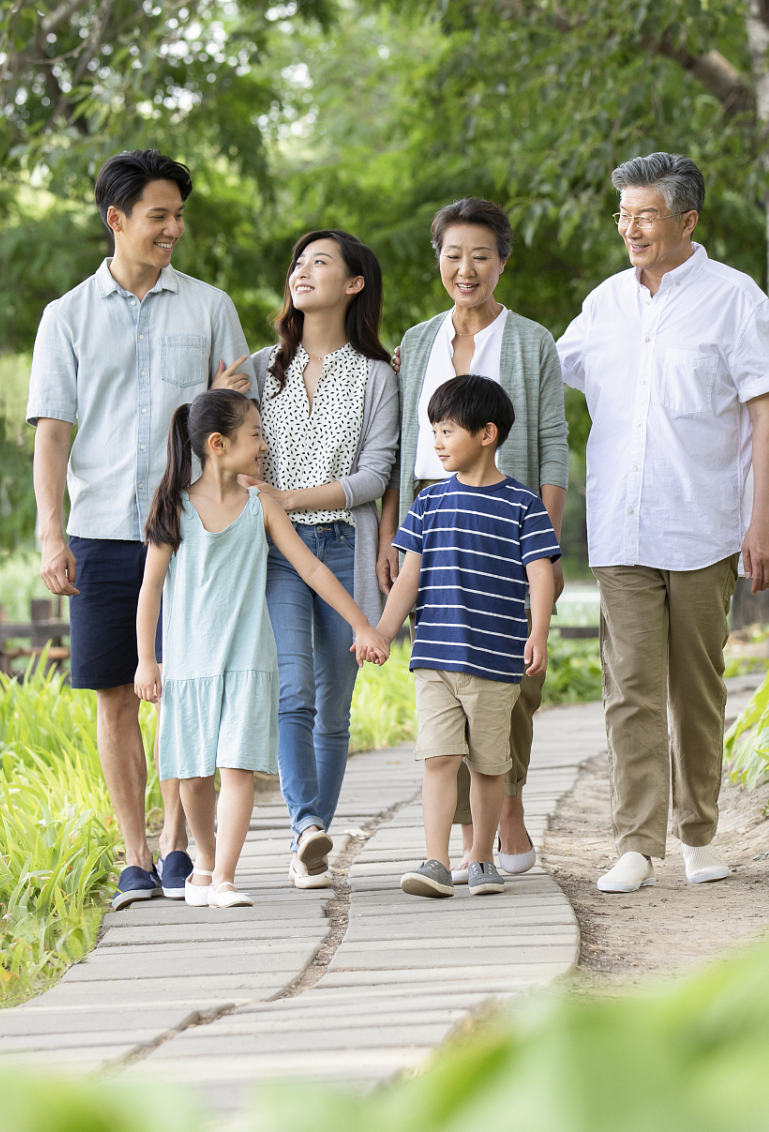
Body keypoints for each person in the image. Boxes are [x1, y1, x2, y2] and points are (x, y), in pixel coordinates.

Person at [556, 151, 769, 895]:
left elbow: (766, 411)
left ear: (687, 220)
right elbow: (535, 370)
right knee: (629, 686)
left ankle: (697, 834)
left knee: (697, 686)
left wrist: (763, 523)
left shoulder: (735, 298)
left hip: (703, 527)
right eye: (623, 215)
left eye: (645, 215)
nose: (630, 228)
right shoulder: (604, 305)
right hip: (622, 529)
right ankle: (634, 842)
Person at [27, 149, 252, 911]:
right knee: (115, 695)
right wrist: (50, 533)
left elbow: (236, 417)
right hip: (100, 530)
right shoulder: (66, 317)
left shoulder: (210, 306)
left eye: (179, 216)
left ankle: (179, 846)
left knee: (188, 690)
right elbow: (53, 434)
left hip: (190, 530)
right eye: (159, 216)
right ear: (116, 220)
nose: (173, 229)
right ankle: (134, 857)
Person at [131, 389, 390, 908]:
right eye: (256, 435)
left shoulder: (261, 506)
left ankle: (225, 876)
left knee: (236, 770)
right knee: (194, 777)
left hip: (248, 662)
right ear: (218, 444)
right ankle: (204, 863)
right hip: (190, 666)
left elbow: (312, 569)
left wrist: (363, 625)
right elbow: (150, 590)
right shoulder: (173, 509)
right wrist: (146, 659)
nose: (265, 444)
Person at [377, 198, 568, 882]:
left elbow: (550, 446)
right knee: (444, 676)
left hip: (505, 515)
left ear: (502, 262)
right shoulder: (418, 338)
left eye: (481, 256)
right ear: (438, 261)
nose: (466, 269)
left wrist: (542, 539)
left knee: (507, 679)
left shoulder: (530, 341)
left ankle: (501, 812)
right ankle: (463, 843)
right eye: (453, 255)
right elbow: (404, 442)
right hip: (432, 515)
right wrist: (390, 533)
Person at [241, 230, 398, 889]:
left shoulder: (378, 375)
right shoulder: (257, 370)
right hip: (277, 552)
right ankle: (307, 825)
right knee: (293, 689)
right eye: (298, 263)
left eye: (320, 262)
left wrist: (290, 495)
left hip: (343, 544)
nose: (302, 272)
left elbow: (376, 474)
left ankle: (315, 845)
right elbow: (229, 453)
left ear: (353, 283)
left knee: (336, 702)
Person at [376, 375, 561, 899]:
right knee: (438, 759)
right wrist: (386, 632)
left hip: (495, 660)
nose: (436, 441)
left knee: (487, 765)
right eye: (433, 430)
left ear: (486, 434)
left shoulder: (522, 504)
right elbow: (408, 577)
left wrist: (538, 635)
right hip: (434, 656)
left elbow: (540, 574)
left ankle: (481, 858)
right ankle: (435, 860)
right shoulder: (428, 503)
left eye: (447, 430)